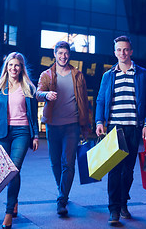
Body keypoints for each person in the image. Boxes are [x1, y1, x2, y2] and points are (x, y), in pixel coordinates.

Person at [95, 35, 146, 226]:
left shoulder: (142, 73)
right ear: (115, 53)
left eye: (125, 49)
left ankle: (123, 202)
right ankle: (113, 209)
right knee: (114, 169)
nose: (122, 53)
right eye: (119, 50)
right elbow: (101, 100)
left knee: (128, 170)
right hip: (114, 128)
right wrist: (99, 121)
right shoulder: (108, 75)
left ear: (131, 51)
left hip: (133, 127)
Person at [0, 52, 39, 229]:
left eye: (17, 65)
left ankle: (8, 212)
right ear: (6, 67)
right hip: (3, 134)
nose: (13, 68)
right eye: (10, 65)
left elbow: (33, 115)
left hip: (22, 133)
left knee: (14, 170)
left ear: (21, 68)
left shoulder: (28, 87)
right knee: (8, 172)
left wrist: (35, 135)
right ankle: (15, 201)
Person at [36, 41, 89, 216]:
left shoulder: (78, 75)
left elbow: (84, 102)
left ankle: (62, 199)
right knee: (55, 162)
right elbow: (37, 93)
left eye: (66, 53)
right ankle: (62, 190)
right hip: (52, 125)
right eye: (60, 53)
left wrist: (85, 127)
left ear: (69, 54)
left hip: (72, 125)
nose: (63, 56)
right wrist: (46, 95)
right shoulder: (47, 74)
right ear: (55, 54)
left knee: (68, 163)